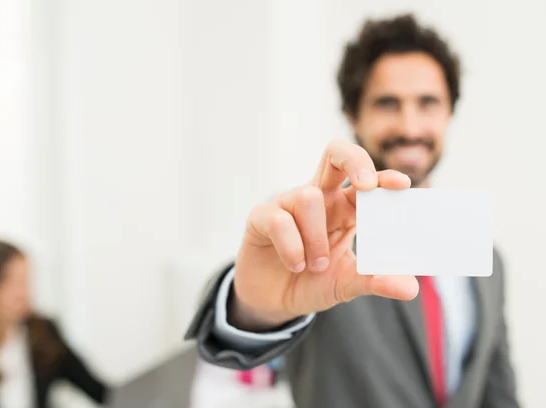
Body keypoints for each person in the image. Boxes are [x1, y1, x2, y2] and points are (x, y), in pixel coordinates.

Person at [185, 13, 520, 408]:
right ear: (352, 115)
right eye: (387, 103)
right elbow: (234, 346)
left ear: (449, 113)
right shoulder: (313, 235)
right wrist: (253, 309)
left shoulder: (485, 258)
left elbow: (498, 394)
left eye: (427, 103)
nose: (410, 126)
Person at [0, 239, 110, 408]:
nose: (23, 293)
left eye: (25, 280)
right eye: (10, 282)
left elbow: (101, 392)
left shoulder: (44, 334)